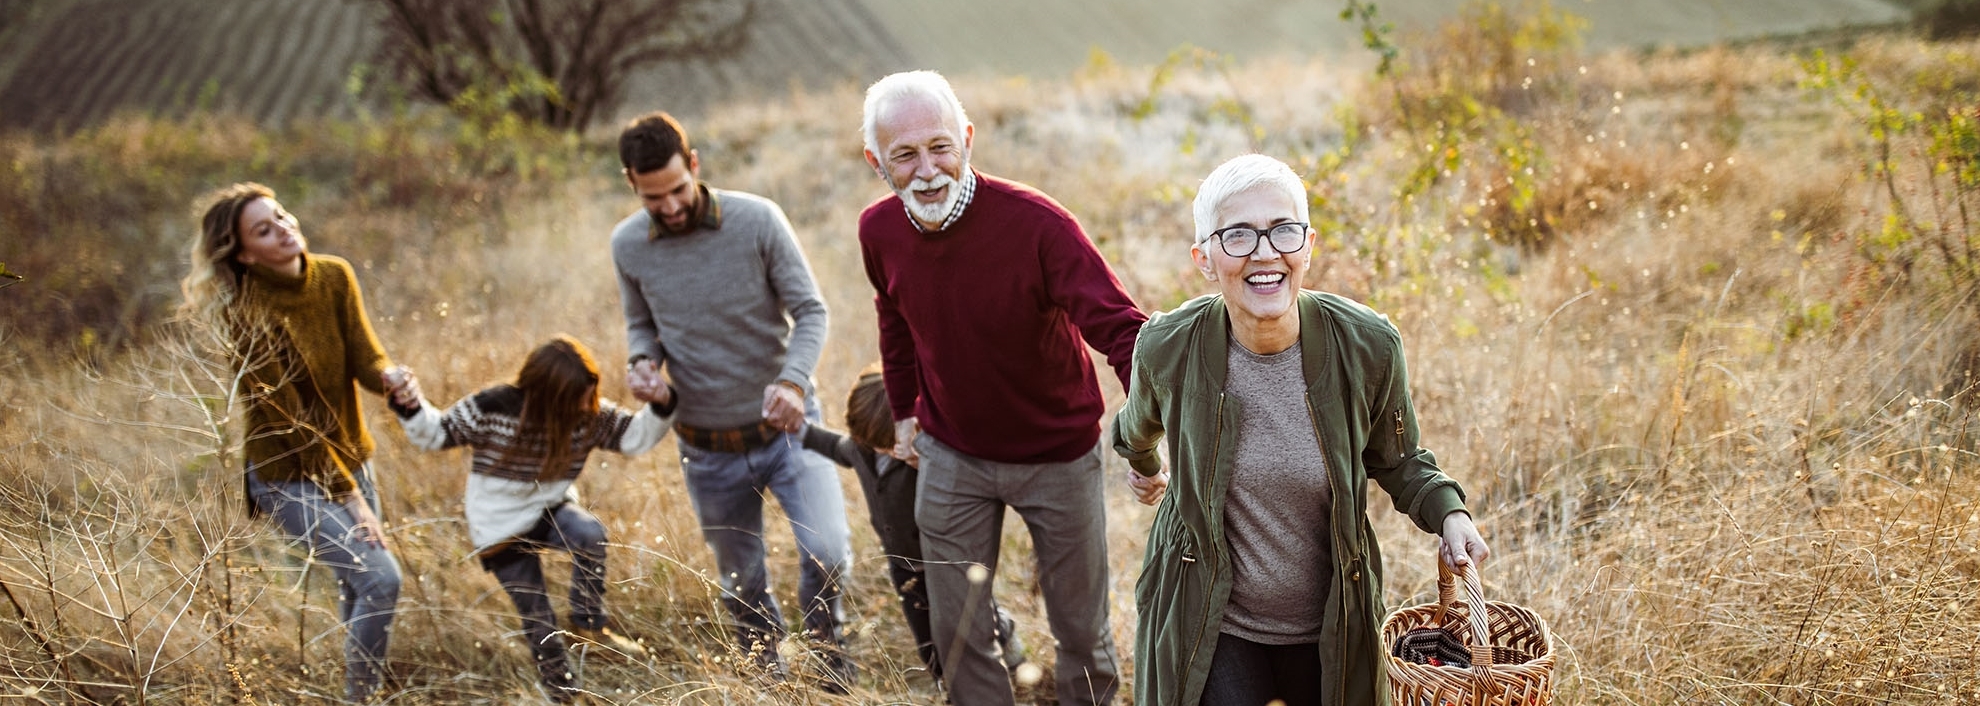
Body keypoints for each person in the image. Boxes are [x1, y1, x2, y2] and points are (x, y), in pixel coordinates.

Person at [1111, 154, 1492, 706]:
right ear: (1204, 258)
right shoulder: (1169, 347)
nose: (1265, 253)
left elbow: (1399, 459)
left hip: (1332, 621)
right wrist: (1148, 470)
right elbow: (1132, 430)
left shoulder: (1366, 346)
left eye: (1282, 230)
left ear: (1308, 244)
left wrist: (1450, 514)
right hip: (1211, 620)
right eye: (1237, 235)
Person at [857, 70, 1148, 706]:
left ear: (967, 138)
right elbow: (894, 318)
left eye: (940, 146)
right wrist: (905, 412)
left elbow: (1124, 331)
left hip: (1059, 456)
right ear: (876, 161)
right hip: (952, 454)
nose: (927, 168)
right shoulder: (877, 231)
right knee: (957, 634)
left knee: (1081, 633)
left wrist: (1148, 435)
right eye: (904, 155)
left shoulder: (1038, 225)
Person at [610, 111, 856, 690]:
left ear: (694, 165)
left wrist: (793, 382)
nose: (669, 207)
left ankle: (826, 655)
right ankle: (764, 676)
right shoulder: (628, 245)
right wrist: (641, 363)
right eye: (653, 198)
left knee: (828, 552)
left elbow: (812, 312)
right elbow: (640, 325)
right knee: (740, 580)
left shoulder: (757, 220)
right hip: (706, 445)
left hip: (790, 431)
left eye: (677, 189)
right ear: (632, 185)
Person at [180, 182, 411, 702]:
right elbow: (291, 424)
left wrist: (392, 376)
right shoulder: (245, 313)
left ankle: (360, 693)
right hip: (287, 475)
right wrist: (352, 499)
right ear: (243, 253)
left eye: (281, 216)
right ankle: (361, 699)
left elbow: (365, 359)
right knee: (381, 579)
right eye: (264, 229)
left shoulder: (333, 275)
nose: (284, 229)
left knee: (360, 584)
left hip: (349, 457)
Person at [386, 335, 674, 703]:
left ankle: (589, 628)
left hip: (548, 509)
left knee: (589, 533)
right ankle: (564, 693)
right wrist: (409, 403)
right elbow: (436, 433)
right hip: (498, 526)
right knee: (539, 619)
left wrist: (662, 403)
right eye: (579, 398)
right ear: (548, 396)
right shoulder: (494, 407)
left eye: (591, 394)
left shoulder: (588, 415)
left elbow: (633, 437)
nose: (588, 405)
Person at [796, 367, 1027, 686]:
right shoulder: (861, 449)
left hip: (947, 557)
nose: (894, 451)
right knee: (927, 637)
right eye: (883, 446)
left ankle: (1008, 652)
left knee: (973, 619)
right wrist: (802, 430)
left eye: (896, 443)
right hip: (903, 564)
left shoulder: (930, 452)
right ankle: (947, 683)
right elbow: (838, 447)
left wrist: (923, 460)